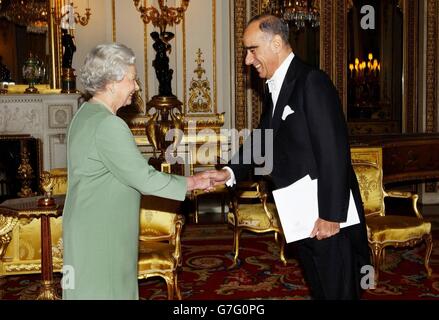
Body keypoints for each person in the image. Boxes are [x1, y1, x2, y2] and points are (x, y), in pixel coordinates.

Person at [206, 14, 370, 299]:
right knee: (321, 289)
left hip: (327, 217)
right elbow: (263, 139)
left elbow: (334, 150)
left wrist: (331, 216)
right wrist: (229, 172)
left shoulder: (311, 81)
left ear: (277, 43)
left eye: (252, 49)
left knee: (340, 292)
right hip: (300, 215)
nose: (247, 60)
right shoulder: (275, 89)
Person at [62, 43, 213, 300]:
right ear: (112, 82)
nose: (136, 87)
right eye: (132, 79)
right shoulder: (109, 125)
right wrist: (193, 182)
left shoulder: (84, 114)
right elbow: (144, 178)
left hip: (87, 226)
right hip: (102, 233)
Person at [151, 31, 173, 96]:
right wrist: (167, 46)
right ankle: (162, 91)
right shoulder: (155, 45)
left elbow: (172, 35)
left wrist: (164, 33)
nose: (154, 38)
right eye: (153, 37)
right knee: (159, 76)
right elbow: (161, 50)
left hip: (163, 61)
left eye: (154, 36)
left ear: (157, 36)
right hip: (158, 61)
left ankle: (166, 91)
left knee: (165, 76)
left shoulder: (163, 40)